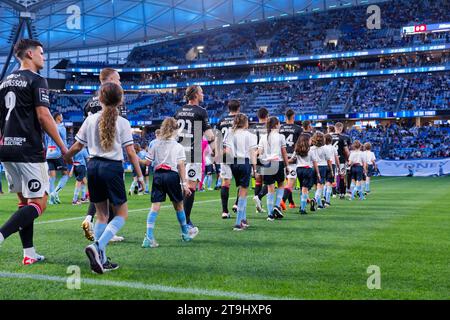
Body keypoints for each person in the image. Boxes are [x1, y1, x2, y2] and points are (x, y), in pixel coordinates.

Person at [64, 82, 144, 274]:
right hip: (112, 168)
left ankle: (103, 260)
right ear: (120, 100)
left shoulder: (90, 120)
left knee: (101, 215)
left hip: (93, 167)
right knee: (121, 214)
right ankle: (98, 246)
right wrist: (140, 176)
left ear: (100, 98)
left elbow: (76, 147)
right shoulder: (123, 122)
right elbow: (131, 153)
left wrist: (66, 157)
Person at [0, 39, 67, 265]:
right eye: (41, 53)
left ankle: (29, 254)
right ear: (29, 54)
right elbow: (43, 116)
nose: (44, 57)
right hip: (28, 149)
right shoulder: (37, 80)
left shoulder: (4, 81)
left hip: (6, 148)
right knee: (39, 203)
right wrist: (63, 147)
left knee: (25, 203)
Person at [80, 68, 124, 243]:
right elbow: (118, 127)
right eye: (118, 79)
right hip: (111, 157)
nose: (120, 83)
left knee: (100, 198)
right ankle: (107, 235)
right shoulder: (114, 97)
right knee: (113, 200)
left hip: (93, 157)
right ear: (111, 79)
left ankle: (89, 219)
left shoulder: (89, 103)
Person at [142, 117, 194, 248]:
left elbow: (147, 162)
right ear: (175, 129)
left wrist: (134, 158)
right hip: (172, 176)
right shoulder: (178, 146)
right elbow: (181, 165)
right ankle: (185, 234)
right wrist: (184, 184)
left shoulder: (154, 143)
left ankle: (148, 237)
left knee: (155, 207)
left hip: (158, 175)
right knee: (179, 206)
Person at [174, 85, 215, 236]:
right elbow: (209, 135)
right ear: (196, 95)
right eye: (201, 92)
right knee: (190, 188)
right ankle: (186, 224)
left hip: (179, 152)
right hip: (193, 152)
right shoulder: (201, 111)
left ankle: (184, 221)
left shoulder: (178, 111)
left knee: (183, 187)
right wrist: (215, 149)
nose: (203, 94)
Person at [223, 114, 257, 230]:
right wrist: (255, 168)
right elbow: (253, 153)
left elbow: (227, 151)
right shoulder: (250, 135)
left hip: (234, 163)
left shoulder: (230, 133)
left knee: (242, 191)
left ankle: (243, 219)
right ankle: (238, 223)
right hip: (244, 162)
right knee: (243, 191)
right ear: (245, 123)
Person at [258, 117, 289, 221]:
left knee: (270, 188)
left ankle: (270, 214)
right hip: (277, 162)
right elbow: (284, 152)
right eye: (279, 124)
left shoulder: (263, 137)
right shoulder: (281, 136)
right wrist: (287, 165)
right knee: (281, 185)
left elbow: (260, 152)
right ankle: (276, 205)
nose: (280, 125)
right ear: (276, 125)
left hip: (267, 163)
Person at [217, 99, 240, 219]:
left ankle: (224, 211)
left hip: (225, 154)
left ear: (228, 108)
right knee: (241, 182)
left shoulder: (221, 121)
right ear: (239, 108)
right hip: (238, 154)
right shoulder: (241, 119)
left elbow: (218, 138)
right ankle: (236, 204)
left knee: (225, 183)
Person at [279, 109, 303, 210]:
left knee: (286, 181)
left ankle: (291, 202)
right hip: (292, 158)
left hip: (281, 158)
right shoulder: (298, 129)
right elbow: (299, 145)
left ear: (285, 117)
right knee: (291, 181)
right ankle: (282, 201)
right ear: (293, 117)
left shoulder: (280, 128)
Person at [291, 134, 319, 215]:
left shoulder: (297, 150)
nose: (311, 141)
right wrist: (318, 173)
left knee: (302, 188)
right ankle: (302, 208)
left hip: (299, 169)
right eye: (310, 140)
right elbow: (314, 162)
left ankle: (303, 205)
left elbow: (292, 159)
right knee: (305, 189)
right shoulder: (310, 151)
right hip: (307, 169)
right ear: (307, 141)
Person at [45, 112, 69, 205]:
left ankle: (52, 199)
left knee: (52, 177)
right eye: (61, 115)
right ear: (58, 117)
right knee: (65, 174)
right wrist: (66, 153)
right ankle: (55, 193)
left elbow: (46, 140)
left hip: (49, 153)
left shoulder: (49, 127)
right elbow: (64, 141)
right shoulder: (61, 128)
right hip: (58, 153)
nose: (62, 117)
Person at [251, 107, 270, 213]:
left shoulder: (252, 127)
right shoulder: (269, 127)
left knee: (258, 181)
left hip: (255, 156)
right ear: (267, 116)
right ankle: (258, 197)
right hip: (266, 156)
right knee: (270, 181)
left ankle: (258, 207)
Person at [310, 132, 332, 210]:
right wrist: (331, 170)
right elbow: (329, 160)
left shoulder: (311, 148)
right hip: (322, 167)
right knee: (320, 186)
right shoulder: (325, 148)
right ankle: (315, 200)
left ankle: (319, 205)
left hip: (313, 167)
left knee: (316, 186)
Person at [331, 122, 350, 199]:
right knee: (341, 175)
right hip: (341, 159)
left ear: (335, 128)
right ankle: (342, 193)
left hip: (331, 160)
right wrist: (349, 159)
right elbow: (346, 150)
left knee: (333, 176)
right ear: (341, 128)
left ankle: (333, 193)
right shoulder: (343, 138)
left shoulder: (329, 136)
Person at [323, 134, 340, 207]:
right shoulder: (333, 148)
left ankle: (323, 196)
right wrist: (338, 166)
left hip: (323, 165)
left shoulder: (322, 148)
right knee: (329, 183)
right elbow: (336, 158)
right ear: (331, 140)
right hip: (331, 165)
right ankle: (327, 201)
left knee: (323, 183)